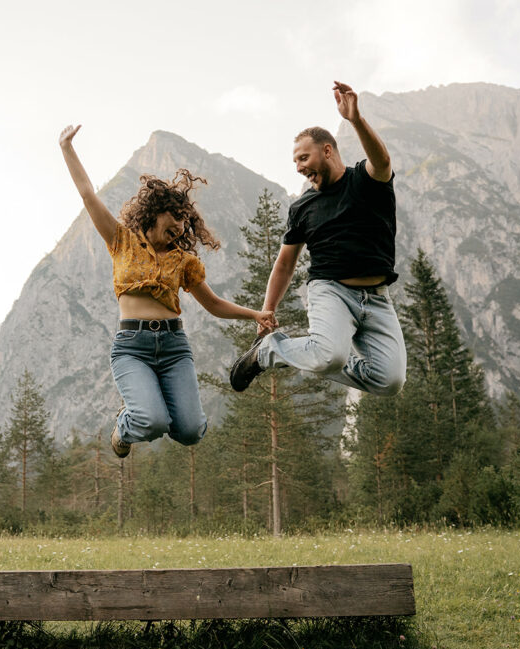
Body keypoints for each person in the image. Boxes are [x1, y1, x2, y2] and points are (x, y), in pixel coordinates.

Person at [60, 124, 270, 457]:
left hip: (174, 347)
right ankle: (127, 425)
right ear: (157, 212)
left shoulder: (183, 261)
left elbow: (213, 303)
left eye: (186, 221)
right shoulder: (121, 241)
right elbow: (88, 194)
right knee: (152, 421)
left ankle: (150, 408)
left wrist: (254, 314)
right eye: (176, 216)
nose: (182, 225)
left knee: (190, 432)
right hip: (132, 347)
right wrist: (67, 148)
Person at [229, 81, 407, 396]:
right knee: (329, 354)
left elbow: (382, 162)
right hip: (331, 291)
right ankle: (270, 351)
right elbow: (285, 263)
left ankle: (313, 352)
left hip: (378, 297)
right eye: (295, 162)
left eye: (303, 158)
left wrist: (355, 120)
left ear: (327, 150)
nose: (299, 167)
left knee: (389, 380)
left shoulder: (366, 182)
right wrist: (267, 309)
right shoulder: (302, 208)